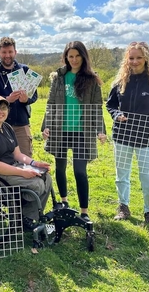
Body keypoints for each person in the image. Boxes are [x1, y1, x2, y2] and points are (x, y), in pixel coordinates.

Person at [106, 41, 149, 224]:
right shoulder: (120, 81)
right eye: (131, 58)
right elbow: (110, 104)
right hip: (122, 134)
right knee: (122, 175)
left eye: (139, 58)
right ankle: (123, 207)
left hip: (147, 136)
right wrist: (117, 114)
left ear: (147, 58)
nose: (134, 61)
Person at [41, 41, 106, 222]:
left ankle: (84, 212)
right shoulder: (59, 77)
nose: (74, 59)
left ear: (83, 57)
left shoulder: (92, 79)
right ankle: (63, 202)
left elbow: (96, 107)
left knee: (79, 171)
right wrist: (46, 125)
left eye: (77, 56)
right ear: (66, 57)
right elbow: (51, 104)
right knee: (60, 168)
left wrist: (100, 130)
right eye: (71, 56)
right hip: (60, 131)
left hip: (81, 132)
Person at [0, 96, 52, 231]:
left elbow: (18, 155)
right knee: (36, 184)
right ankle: (22, 216)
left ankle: (26, 217)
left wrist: (35, 163)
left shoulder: (7, 127)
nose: (0, 112)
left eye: (4, 108)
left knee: (47, 178)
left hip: (12, 166)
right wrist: (22, 172)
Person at [0, 36, 38, 157]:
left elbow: (34, 96)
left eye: (10, 52)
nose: (7, 55)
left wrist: (26, 100)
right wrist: (6, 99)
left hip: (21, 124)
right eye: (4, 52)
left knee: (25, 159)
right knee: (1, 160)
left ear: (15, 52)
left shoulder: (24, 70)